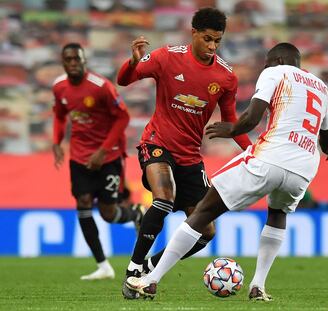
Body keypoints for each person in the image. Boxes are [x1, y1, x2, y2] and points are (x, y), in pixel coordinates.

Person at [125, 42, 328, 300]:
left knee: (204, 211)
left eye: (268, 62)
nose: (265, 67)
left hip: (270, 156)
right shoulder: (321, 87)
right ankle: (258, 285)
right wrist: (327, 148)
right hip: (304, 166)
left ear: (278, 60)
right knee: (277, 214)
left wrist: (232, 130)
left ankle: (150, 279)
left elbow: (252, 117)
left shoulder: (275, 72)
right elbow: (327, 141)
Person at [117, 7, 252, 299]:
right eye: (207, 39)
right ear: (193, 33)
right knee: (164, 198)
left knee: (206, 232)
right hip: (157, 143)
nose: (213, 46)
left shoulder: (226, 77)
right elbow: (125, 80)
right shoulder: (167, 56)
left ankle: (151, 267)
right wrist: (132, 62)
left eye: (218, 40)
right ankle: (133, 268)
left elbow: (231, 122)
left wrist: (254, 149)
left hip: (190, 157)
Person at [52, 42, 145, 280]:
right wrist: (57, 141)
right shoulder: (59, 87)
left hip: (109, 156)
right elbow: (60, 115)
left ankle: (135, 214)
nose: (73, 63)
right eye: (68, 59)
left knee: (107, 213)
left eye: (77, 59)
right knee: (82, 202)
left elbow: (123, 118)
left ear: (84, 61)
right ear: (63, 62)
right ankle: (103, 265)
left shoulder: (100, 86)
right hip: (79, 156)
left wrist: (102, 152)